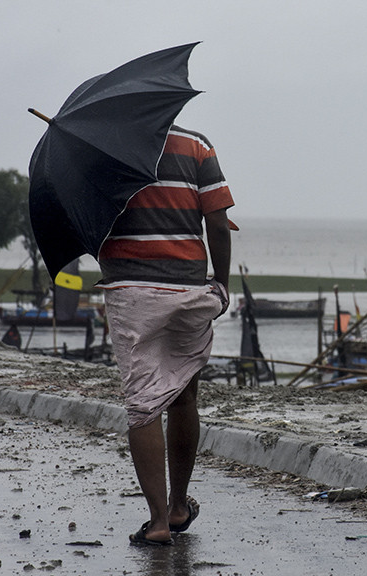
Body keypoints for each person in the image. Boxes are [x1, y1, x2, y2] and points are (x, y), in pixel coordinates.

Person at [97, 125, 234, 546]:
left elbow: (88, 222)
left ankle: (157, 522)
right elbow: (217, 221)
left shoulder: (104, 150)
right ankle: (178, 505)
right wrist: (222, 284)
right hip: (188, 290)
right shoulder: (196, 146)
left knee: (144, 405)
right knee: (185, 396)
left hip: (131, 293)